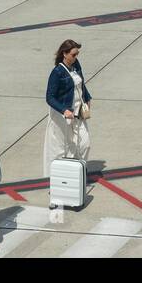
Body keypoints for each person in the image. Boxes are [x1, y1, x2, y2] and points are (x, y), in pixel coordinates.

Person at [44, 40, 91, 191]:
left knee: (85, 144)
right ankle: (58, 183)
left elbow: (81, 85)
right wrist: (64, 110)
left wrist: (88, 98)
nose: (76, 57)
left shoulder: (76, 65)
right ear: (64, 54)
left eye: (77, 54)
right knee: (60, 150)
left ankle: (77, 173)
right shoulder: (57, 72)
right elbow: (49, 97)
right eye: (73, 54)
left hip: (78, 115)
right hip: (62, 117)